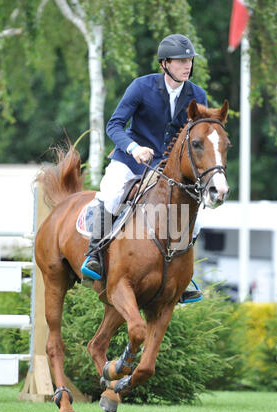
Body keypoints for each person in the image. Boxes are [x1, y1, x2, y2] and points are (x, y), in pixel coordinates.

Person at [82, 34, 207, 303]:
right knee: (111, 193)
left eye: (190, 61)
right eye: (181, 61)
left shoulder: (197, 95)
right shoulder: (141, 87)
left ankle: (181, 277)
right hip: (131, 160)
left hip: (167, 169)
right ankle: (94, 255)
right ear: (165, 64)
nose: (188, 66)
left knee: (192, 215)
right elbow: (114, 125)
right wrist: (133, 148)